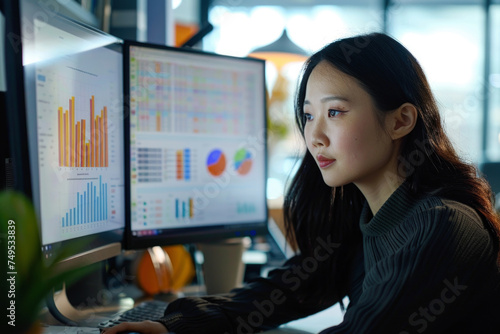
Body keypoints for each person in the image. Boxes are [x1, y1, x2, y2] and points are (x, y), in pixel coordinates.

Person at [103, 32, 500, 334]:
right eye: (309, 116)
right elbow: (289, 289)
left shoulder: (442, 225)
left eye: (336, 112)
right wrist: (175, 325)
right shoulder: (364, 223)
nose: (315, 136)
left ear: (401, 121)